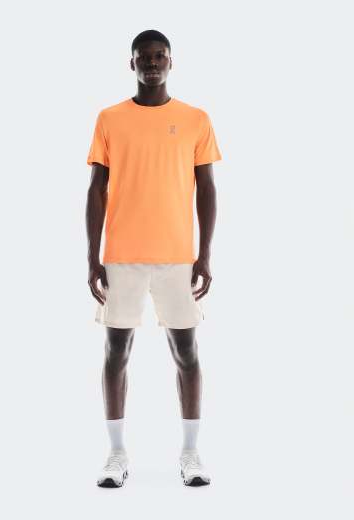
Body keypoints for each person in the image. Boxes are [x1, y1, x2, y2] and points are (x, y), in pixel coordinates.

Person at [86, 29, 222, 487]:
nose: (151, 63)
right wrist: (92, 257)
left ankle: (191, 454)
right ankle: (116, 454)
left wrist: (204, 254)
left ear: (170, 62)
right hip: (122, 255)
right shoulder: (109, 118)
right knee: (116, 351)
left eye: (159, 56)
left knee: (187, 352)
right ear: (131, 64)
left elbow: (206, 188)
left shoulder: (195, 119)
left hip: (177, 257)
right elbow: (96, 189)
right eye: (143, 57)